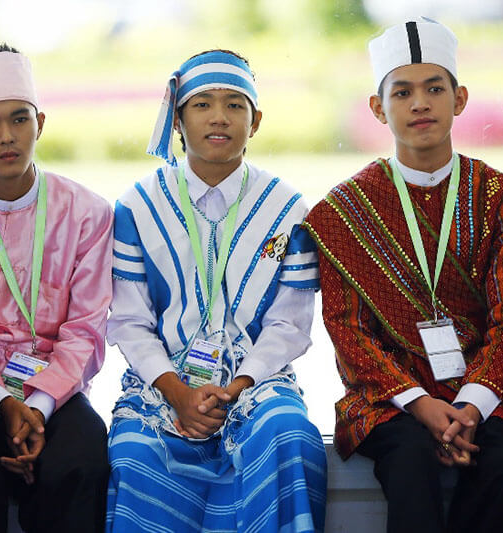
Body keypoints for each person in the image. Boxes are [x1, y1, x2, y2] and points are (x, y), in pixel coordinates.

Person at [304, 18, 503, 533]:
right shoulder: (344, 211)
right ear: (378, 108)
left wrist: (470, 407)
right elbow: (346, 330)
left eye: (434, 88)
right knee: (411, 461)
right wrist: (420, 405)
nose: (421, 104)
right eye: (403, 91)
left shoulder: (500, 197)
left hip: (490, 382)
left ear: (459, 99)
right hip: (390, 391)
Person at [106, 49, 327, 532]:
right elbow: (130, 321)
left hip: (258, 382)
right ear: (178, 120)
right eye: (202, 104)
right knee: (133, 450)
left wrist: (238, 386)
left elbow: (289, 324)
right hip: (161, 386)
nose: (219, 117)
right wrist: (179, 394)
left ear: (257, 120)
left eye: (235, 104)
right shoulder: (138, 207)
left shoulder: (287, 210)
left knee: (287, 432)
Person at [0, 39, 113, 533]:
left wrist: (35, 407)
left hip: (54, 386)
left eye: (20, 118)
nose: (7, 137)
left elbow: (85, 329)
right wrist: (3, 399)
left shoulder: (87, 213)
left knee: (83, 452)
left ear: (40, 122)